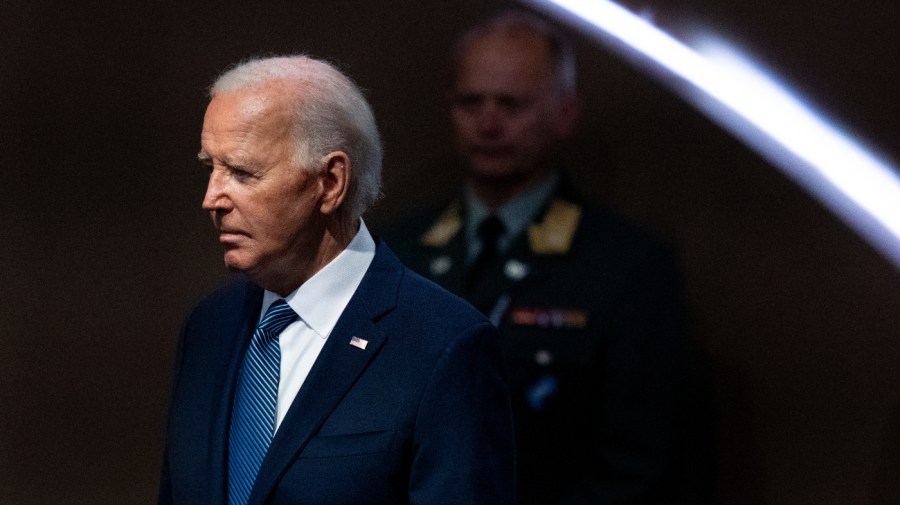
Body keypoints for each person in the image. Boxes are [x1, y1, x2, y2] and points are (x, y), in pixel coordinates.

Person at [158, 55, 516, 505]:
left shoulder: (443, 344)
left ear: (330, 182)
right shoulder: (210, 326)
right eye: (211, 167)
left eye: (243, 173)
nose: (212, 198)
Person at [381, 11, 706, 504]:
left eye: (511, 104)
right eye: (472, 102)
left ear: (564, 113)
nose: (489, 122)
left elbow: (638, 467)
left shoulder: (626, 265)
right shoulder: (396, 250)